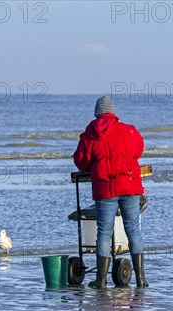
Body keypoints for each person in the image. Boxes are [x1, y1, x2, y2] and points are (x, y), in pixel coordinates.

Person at [73, 96, 148, 288]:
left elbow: (81, 161)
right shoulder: (129, 130)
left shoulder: (90, 133)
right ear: (113, 112)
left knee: (104, 233)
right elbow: (138, 150)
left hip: (106, 187)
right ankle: (141, 279)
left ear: (97, 113)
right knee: (133, 230)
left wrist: (97, 163)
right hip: (129, 183)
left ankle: (101, 280)